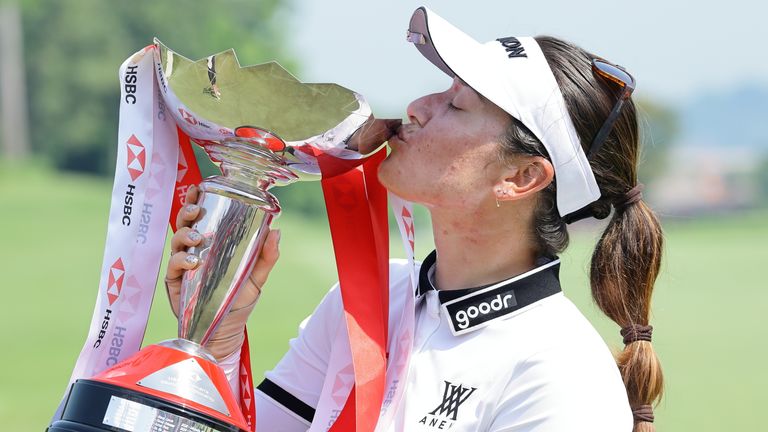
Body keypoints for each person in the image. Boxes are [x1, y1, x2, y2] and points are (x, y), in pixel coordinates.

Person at [165, 7, 663, 432]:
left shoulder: (562, 375)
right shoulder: (369, 299)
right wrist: (218, 341)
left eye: (457, 105)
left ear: (521, 177)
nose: (418, 108)